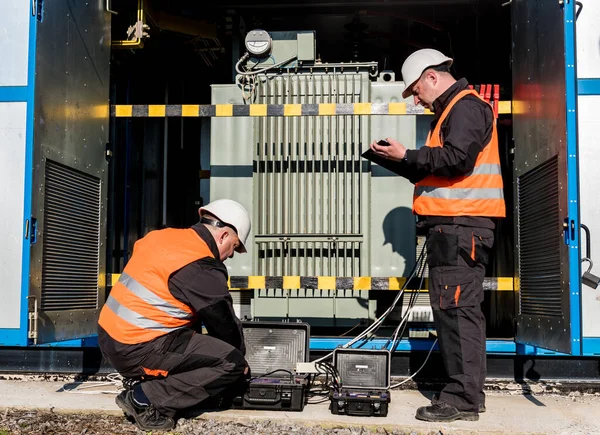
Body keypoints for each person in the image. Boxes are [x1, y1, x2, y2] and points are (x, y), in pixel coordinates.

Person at [369, 48, 506, 422]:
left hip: (463, 226)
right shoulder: (452, 110)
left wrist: (408, 155)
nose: (415, 98)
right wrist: (398, 160)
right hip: (455, 227)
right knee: (453, 311)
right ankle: (463, 395)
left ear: (432, 76)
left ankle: (463, 400)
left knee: (459, 312)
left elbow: (455, 159)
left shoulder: (464, 106)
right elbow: (442, 170)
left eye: (415, 90)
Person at [98, 199, 252, 431]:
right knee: (229, 363)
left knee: (193, 331)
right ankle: (143, 398)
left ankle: (151, 382)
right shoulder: (201, 265)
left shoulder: (162, 237)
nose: (231, 255)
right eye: (234, 246)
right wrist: (241, 365)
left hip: (110, 336)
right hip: (136, 348)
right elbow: (224, 326)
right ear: (223, 236)